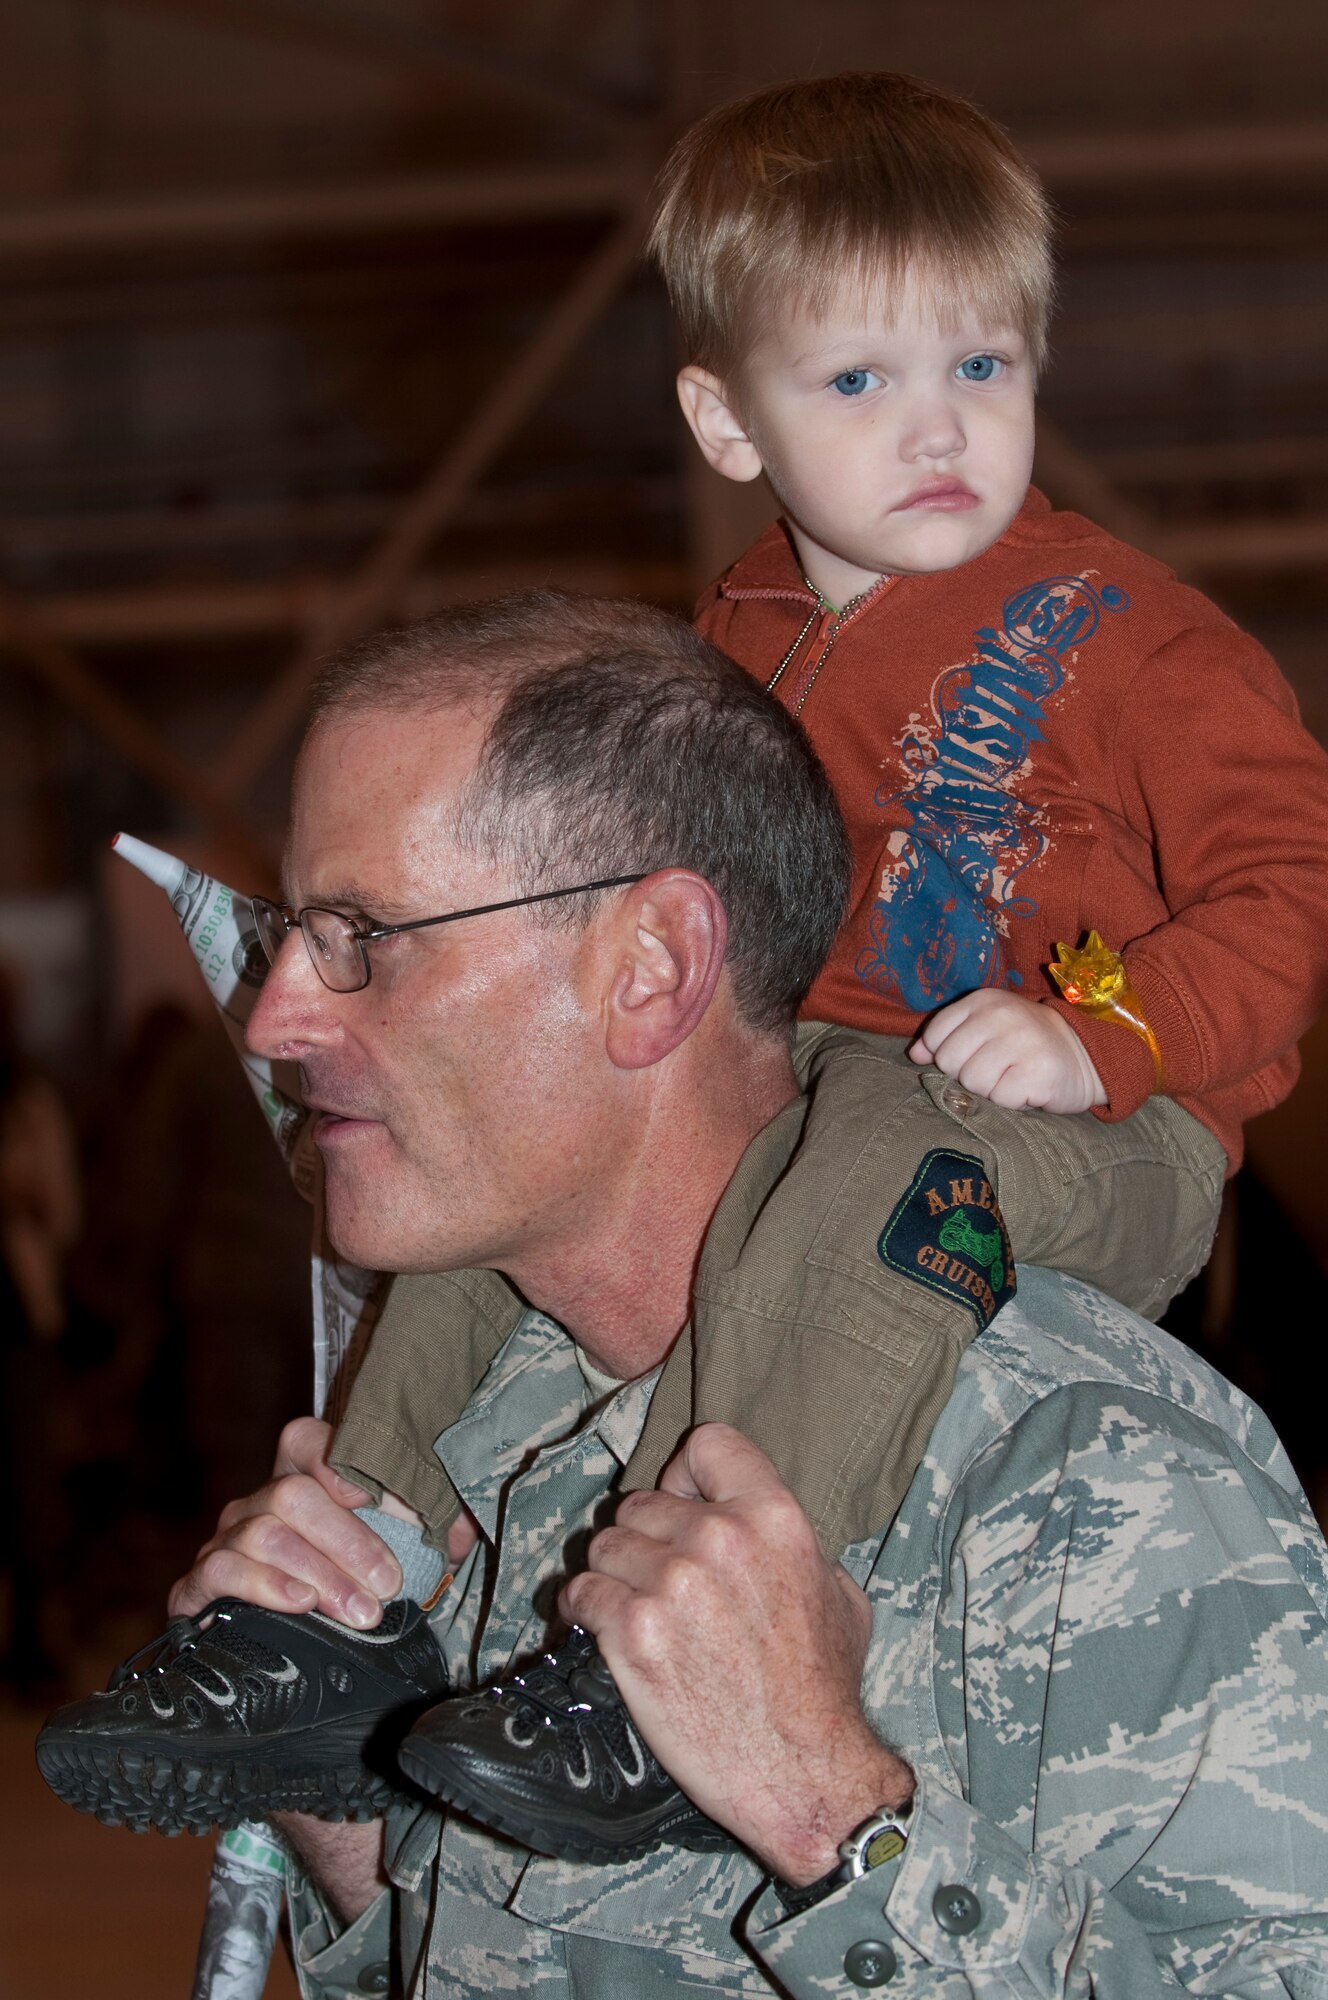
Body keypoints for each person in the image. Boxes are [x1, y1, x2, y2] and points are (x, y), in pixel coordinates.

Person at [56, 601, 1328, 1996]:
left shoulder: (1087, 1470)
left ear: (651, 969)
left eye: (365, 934)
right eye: (296, 934)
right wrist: (342, 1810)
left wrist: (836, 1814)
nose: (275, 1016)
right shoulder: (485, 1440)